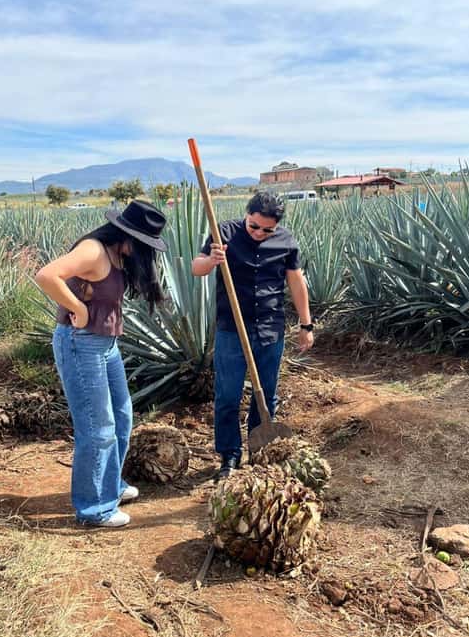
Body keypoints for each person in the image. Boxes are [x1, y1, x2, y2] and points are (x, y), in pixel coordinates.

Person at [35, 200, 167, 528]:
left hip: (106, 346)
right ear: (128, 235)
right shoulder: (94, 251)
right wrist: (77, 308)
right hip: (81, 345)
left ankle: (111, 486)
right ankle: (95, 507)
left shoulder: (117, 254)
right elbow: (46, 275)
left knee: (122, 419)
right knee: (97, 427)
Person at [191, 191, 313, 479]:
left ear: (276, 226)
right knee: (228, 396)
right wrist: (212, 260)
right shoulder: (223, 233)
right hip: (232, 330)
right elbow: (196, 268)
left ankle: (259, 452)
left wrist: (306, 326)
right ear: (247, 216)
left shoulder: (286, 241)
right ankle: (229, 455)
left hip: (271, 329)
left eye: (266, 229)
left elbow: (296, 283)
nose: (259, 233)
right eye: (253, 226)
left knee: (266, 396)